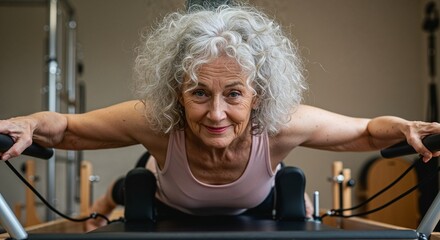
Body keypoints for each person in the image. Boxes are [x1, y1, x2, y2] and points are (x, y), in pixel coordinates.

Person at [1, 2, 439, 232]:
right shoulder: (155, 121)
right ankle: (106, 202)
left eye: (233, 94)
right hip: (166, 200)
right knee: (133, 185)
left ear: (257, 95)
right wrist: (31, 122)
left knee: (292, 192)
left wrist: (406, 127)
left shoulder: (282, 123)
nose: (216, 113)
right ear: (176, 91)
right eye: (198, 92)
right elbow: (71, 130)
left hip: (257, 203)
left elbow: (364, 131)